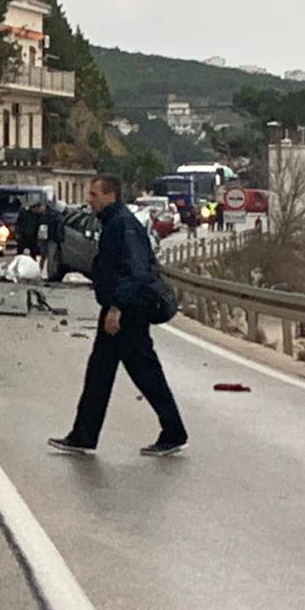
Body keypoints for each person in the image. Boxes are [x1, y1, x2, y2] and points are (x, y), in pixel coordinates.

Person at [50, 174, 188, 457]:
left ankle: (174, 431)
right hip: (118, 307)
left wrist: (116, 308)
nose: (89, 200)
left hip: (127, 312)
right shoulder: (112, 223)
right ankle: (83, 436)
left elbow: (135, 272)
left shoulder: (123, 226)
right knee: (99, 373)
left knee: (146, 374)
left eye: (94, 194)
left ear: (110, 195)